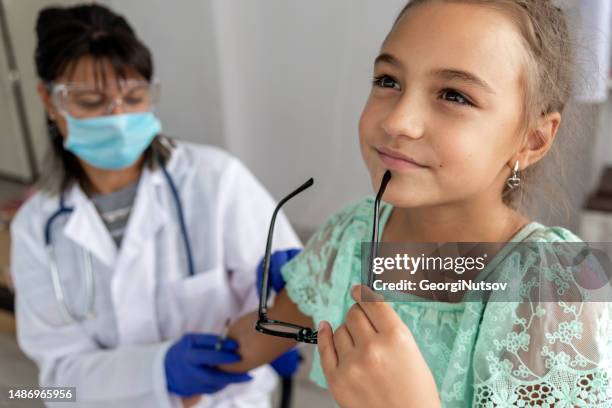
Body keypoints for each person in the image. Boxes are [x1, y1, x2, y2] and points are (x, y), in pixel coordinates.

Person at [218, 1, 612, 407]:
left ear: (533, 140)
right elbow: (254, 338)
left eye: (454, 95)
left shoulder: (554, 292)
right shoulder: (351, 235)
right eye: (388, 81)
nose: (397, 121)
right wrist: (177, 361)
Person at [10, 4, 301, 407]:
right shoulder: (34, 228)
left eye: (133, 97)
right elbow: (56, 384)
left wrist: (286, 315)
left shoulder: (215, 179)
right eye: (92, 102)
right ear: (48, 99)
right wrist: (156, 371)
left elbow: (287, 309)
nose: (117, 116)